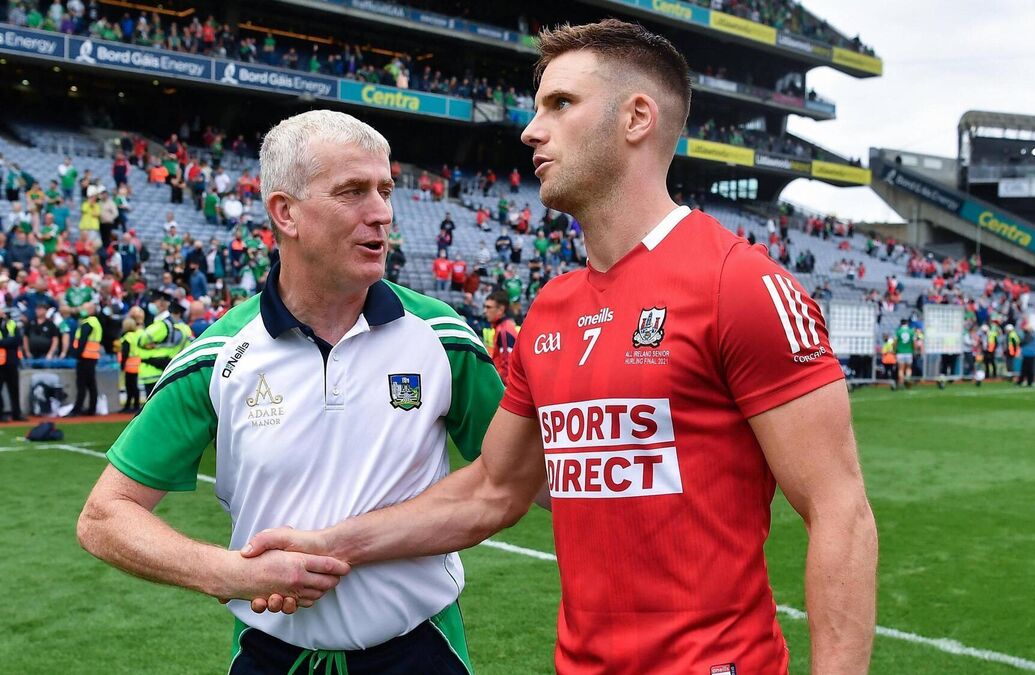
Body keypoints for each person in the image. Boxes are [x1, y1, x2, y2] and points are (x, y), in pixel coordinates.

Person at [241, 24, 876, 674]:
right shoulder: (552, 309)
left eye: (560, 104)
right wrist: (331, 543)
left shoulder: (737, 284)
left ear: (636, 118)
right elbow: (493, 488)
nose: (530, 131)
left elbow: (839, 509)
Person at [77, 110, 503, 675]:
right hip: (270, 658)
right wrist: (233, 573)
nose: (382, 212)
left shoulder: (443, 338)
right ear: (285, 212)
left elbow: (520, 479)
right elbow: (104, 516)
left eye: (385, 190)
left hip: (421, 651)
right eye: (352, 191)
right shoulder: (218, 354)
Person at [69, 301, 103, 416]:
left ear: (91, 310)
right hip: (91, 357)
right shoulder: (95, 322)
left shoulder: (89, 323)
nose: (82, 310)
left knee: (82, 384)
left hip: (85, 357)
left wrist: (77, 354)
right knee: (91, 384)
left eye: (84, 308)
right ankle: (91, 408)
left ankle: (77, 409)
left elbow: (82, 341)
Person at [481, 290, 519, 387]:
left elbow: (507, 368)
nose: (485, 311)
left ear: (501, 309)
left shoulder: (504, 331)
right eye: (484, 307)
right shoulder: (502, 328)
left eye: (488, 307)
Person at [0, 312, 25, 420]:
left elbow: (18, 340)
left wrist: (4, 342)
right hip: (0, 363)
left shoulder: (12, 324)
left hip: (12, 361)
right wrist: (9, 342)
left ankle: (17, 414)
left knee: (14, 389)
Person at [118, 315, 144, 412]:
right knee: (134, 386)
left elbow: (125, 352)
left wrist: (122, 364)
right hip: (137, 363)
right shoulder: (136, 336)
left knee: (130, 386)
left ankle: (130, 406)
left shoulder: (127, 337)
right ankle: (134, 405)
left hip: (129, 365)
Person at [894, 317, 915, 389]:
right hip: (909, 352)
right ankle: (907, 379)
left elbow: (895, 342)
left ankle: (901, 383)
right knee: (909, 368)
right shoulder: (911, 331)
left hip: (900, 352)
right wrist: (914, 350)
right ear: (907, 323)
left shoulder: (898, 331)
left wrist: (895, 350)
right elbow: (914, 342)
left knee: (900, 369)